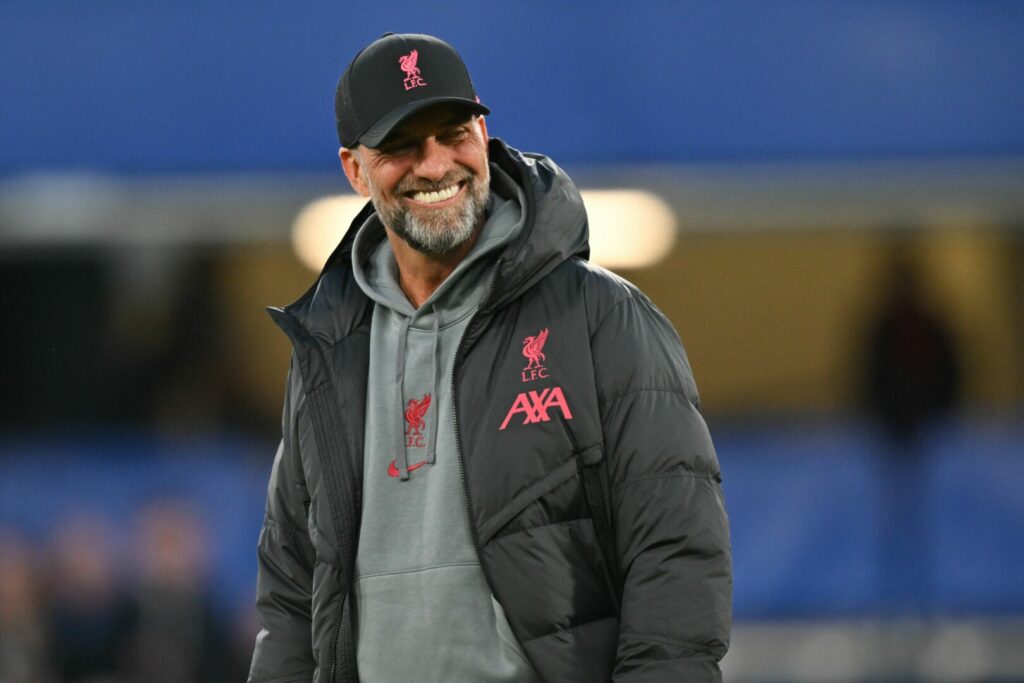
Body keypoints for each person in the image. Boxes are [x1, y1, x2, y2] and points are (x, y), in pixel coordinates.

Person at [249, 32, 731, 682]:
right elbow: (291, 596)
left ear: (483, 131)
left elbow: (676, 556)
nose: (435, 165)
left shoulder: (601, 319)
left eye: (453, 133)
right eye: (401, 146)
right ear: (355, 170)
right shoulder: (325, 355)